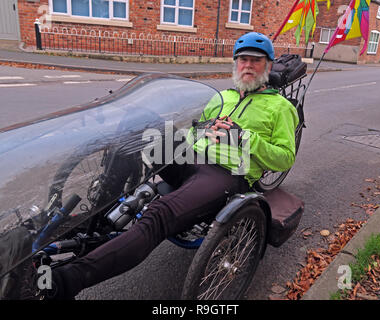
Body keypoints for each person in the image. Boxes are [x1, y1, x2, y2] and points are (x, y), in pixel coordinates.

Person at [39, 32, 299, 299]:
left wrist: (245, 137)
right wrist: (200, 131)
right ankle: (100, 212)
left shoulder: (280, 108)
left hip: (225, 173)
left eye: (256, 61)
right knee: (137, 128)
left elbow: (284, 158)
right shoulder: (223, 97)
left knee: (158, 213)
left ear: (268, 67)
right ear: (235, 64)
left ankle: (62, 283)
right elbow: (193, 130)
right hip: (190, 158)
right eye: (243, 59)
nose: (248, 66)